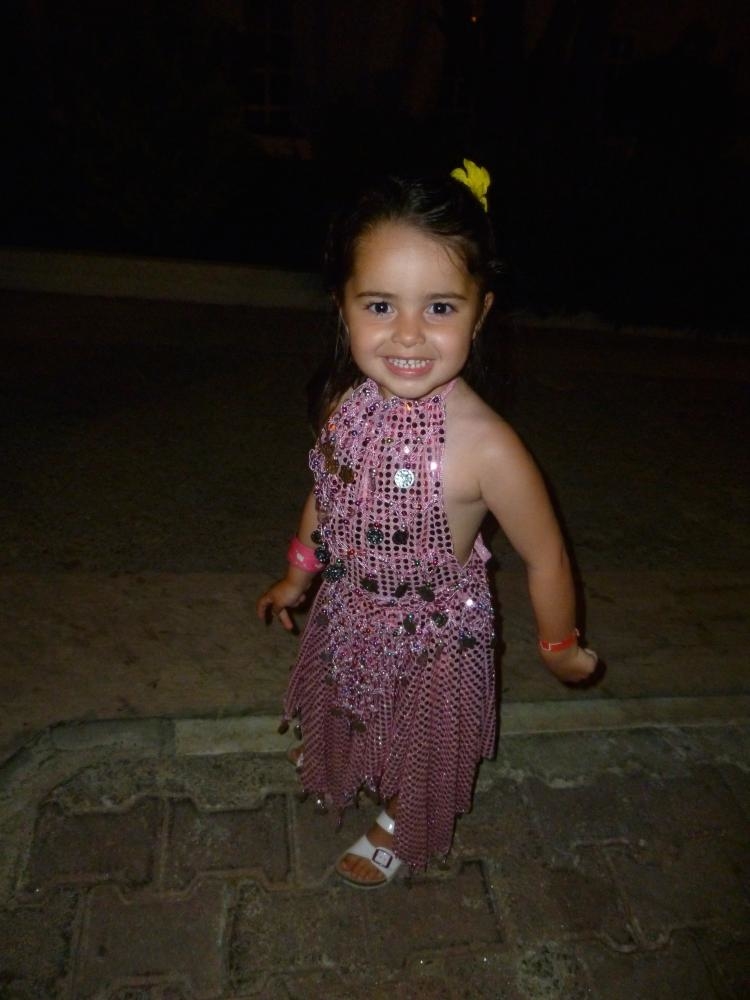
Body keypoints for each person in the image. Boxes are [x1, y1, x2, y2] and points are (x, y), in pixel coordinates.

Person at [257, 159, 598, 888]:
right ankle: (350, 753)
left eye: (439, 307)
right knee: (347, 700)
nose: (408, 336)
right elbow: (328, 492)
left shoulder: (489, 448)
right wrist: (297, 574)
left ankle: (403, 814)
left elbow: (547, 557)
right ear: (343, 308)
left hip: (437, 638)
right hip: (349, 607)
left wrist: (560, 646)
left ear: (481, 312)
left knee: (422, 738)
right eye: (381, 305)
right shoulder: (346, 405)